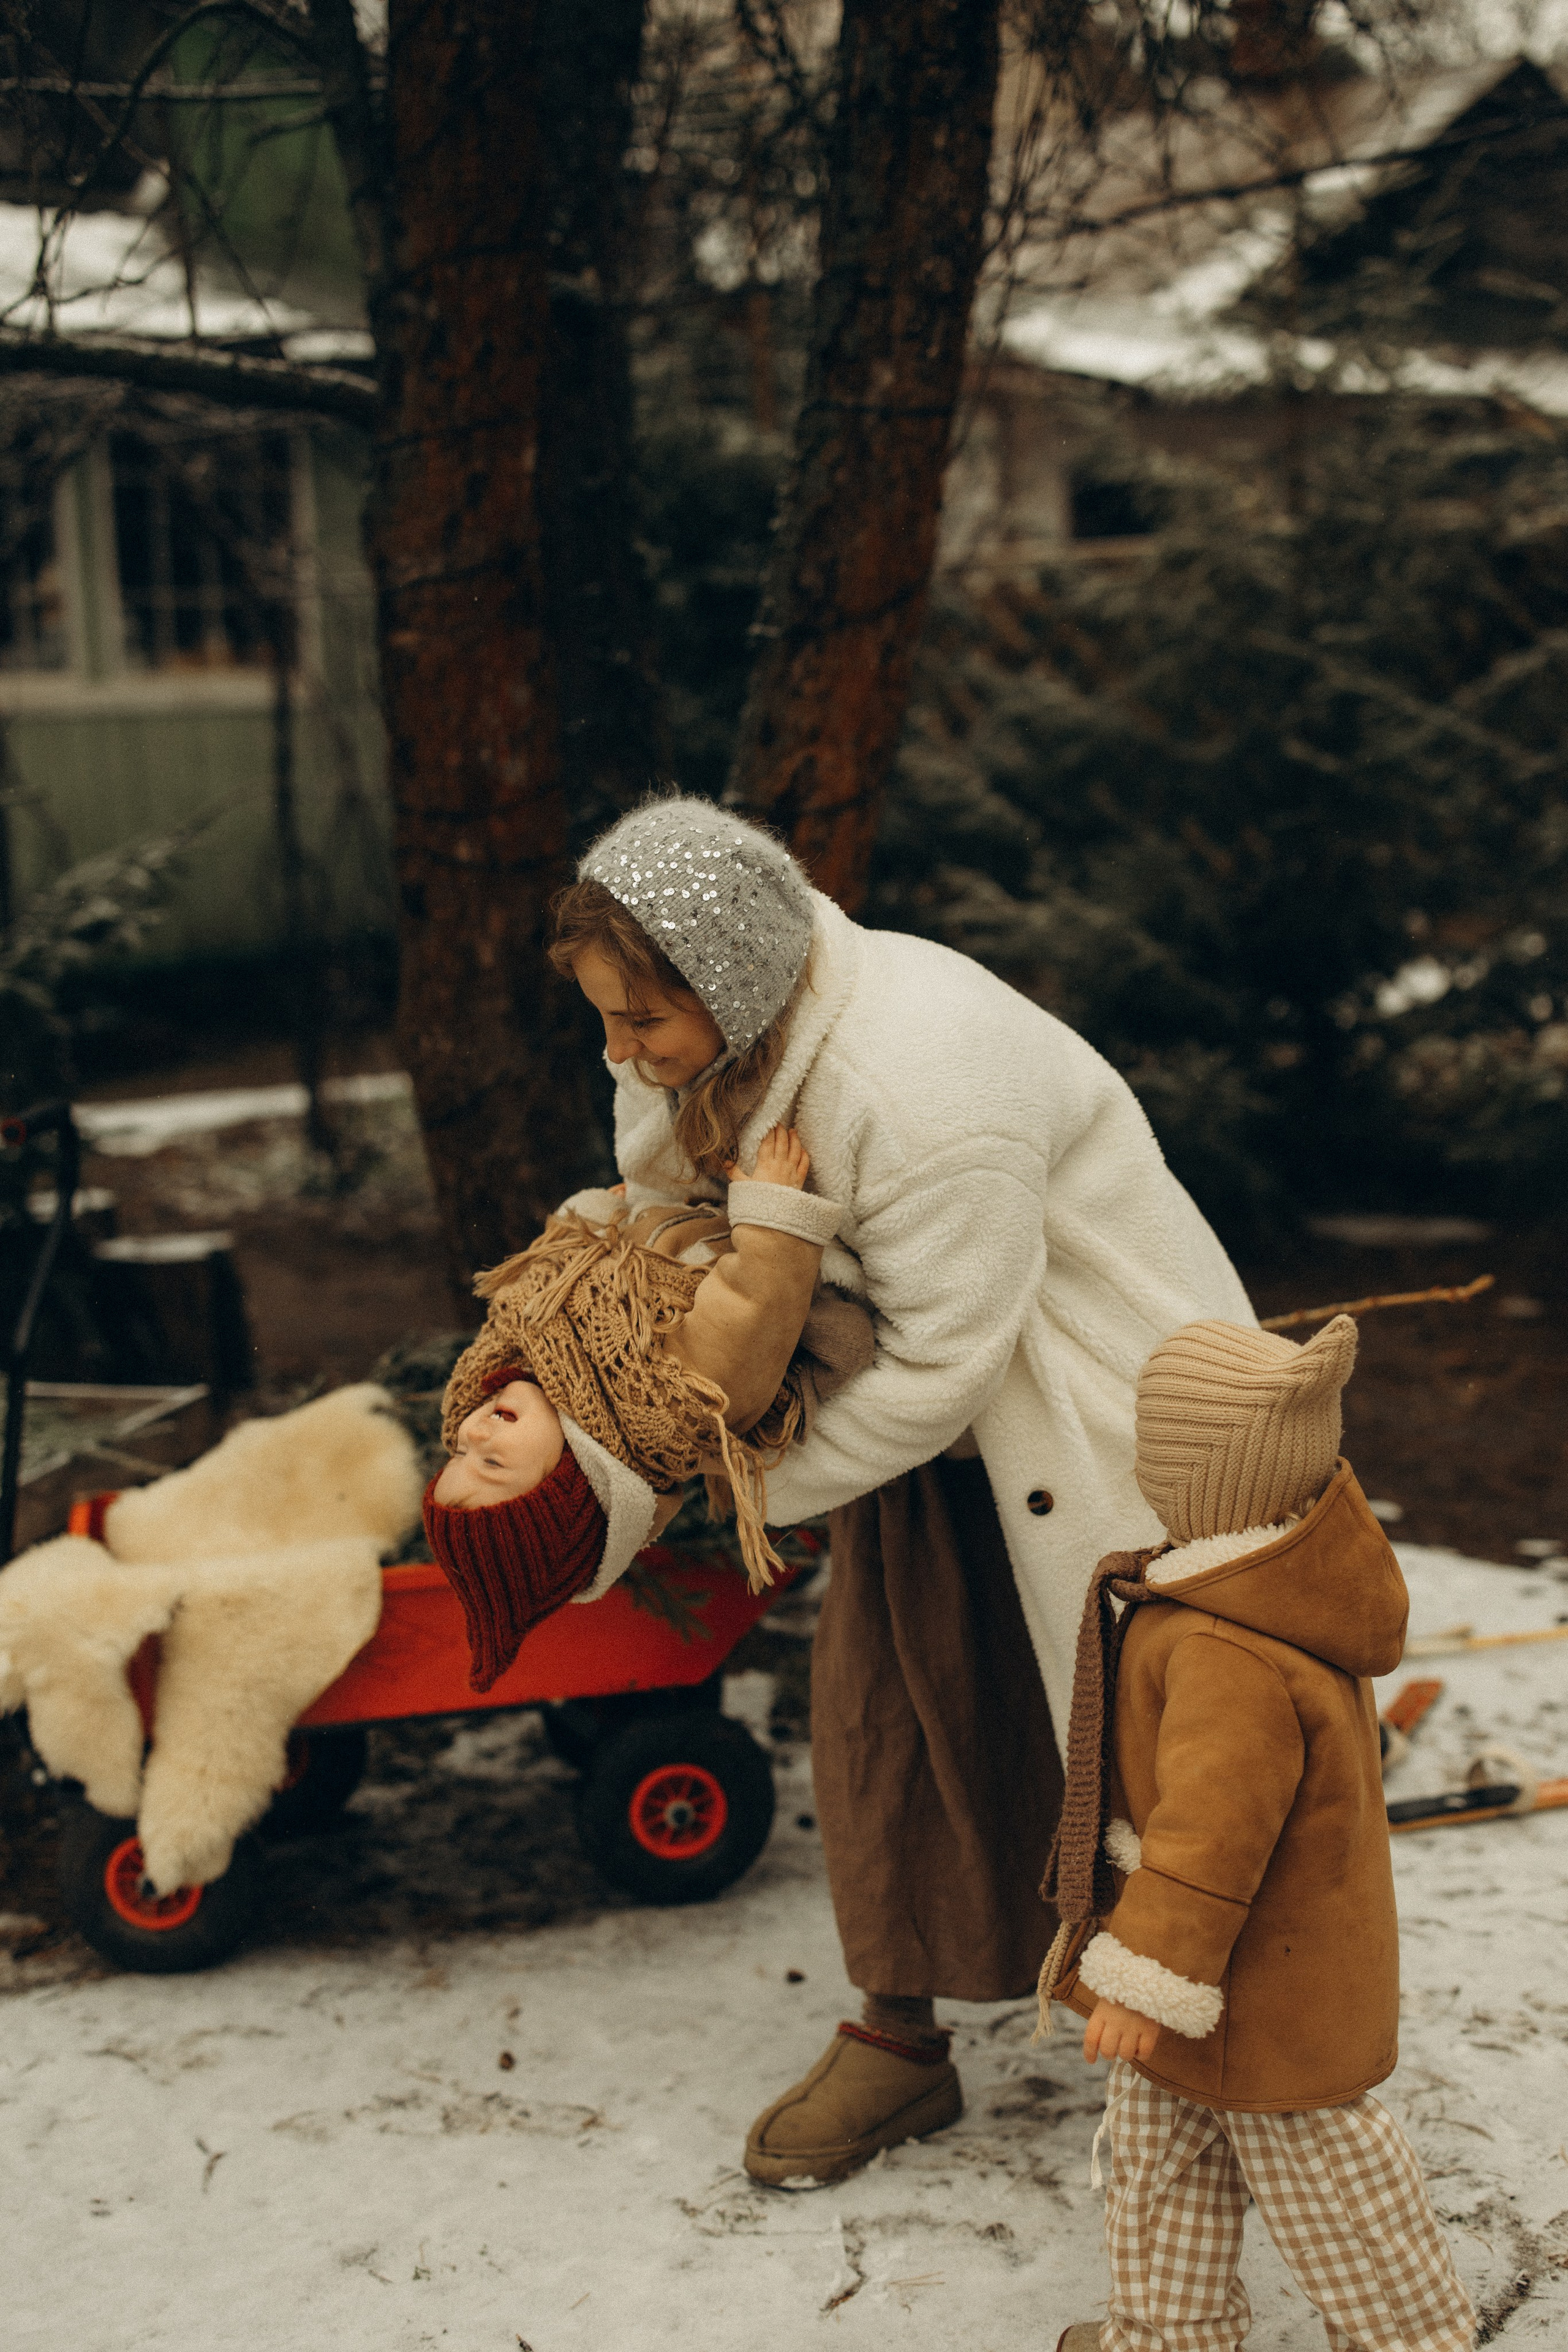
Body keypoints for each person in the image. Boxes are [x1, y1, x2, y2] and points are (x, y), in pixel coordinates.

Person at [549, 794, 1255, 2185]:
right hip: (914, 1415)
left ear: (732, 983)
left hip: (1093, 1426)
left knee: (1146, 1749)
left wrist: (740, 1486)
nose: (618, 1051)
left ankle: (1212, 2047)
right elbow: (663, 1192)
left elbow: (944, 1363)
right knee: (890, 1707)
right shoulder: (707, 1045)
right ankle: (900, 2034)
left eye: (641, 1021)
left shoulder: (922, 1085)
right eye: (605, 1019)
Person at [1044, 1316, 1476, 2352]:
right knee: (1161, 2163)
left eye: (1156, 1457)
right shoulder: (1259, 1591)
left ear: (1198, 1482)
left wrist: (1144, 1975)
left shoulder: (1229, 1646)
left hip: (1261, 1985)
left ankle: (1413, 2340)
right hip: (1222, 1977)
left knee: (1330, 2182)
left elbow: (1212, 1834)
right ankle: (1169, 2334)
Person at [425, 1124, 861, 1689]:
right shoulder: (669, 1407)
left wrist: (590, 1216)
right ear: (573, 1483)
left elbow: (554, 1273)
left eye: (458, 1453)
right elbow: (752, 1308)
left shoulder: (542, 1351)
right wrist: (775, 1213)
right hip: (759, 1236)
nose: (472, 1436)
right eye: (491, 1463)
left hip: (673, 1214)